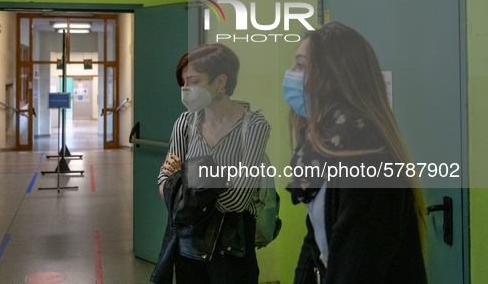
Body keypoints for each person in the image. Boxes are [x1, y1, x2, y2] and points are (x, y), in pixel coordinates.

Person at [283, 22, 427, 283]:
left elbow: (357, 269)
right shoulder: (324, 145)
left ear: (333, 77)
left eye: (301, 65)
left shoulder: (368, 158)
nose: (290, 73)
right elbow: (314, 242)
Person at [151, 43, 271, 284]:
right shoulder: (184, 124)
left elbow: (237, 200)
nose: (185, 89)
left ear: (220, 81)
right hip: (189, 244)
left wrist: (185, 177)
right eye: (183, 82)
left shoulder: (254, 126)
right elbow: (165, 187)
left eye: (193, 81)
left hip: (232, 246)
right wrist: (220, 178)